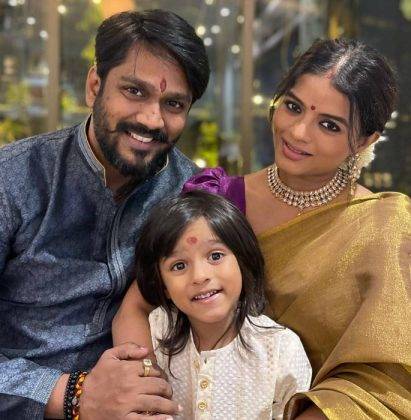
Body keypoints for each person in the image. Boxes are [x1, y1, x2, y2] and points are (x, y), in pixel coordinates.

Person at [117, 38, 411, 419]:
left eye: (329, 125)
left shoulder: (384, 227)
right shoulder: (218, 198)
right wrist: (146, 394)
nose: (298, 132)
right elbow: (136, 306)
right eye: (293, 106)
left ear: (366, 140)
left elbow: (385, 382)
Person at [0, 9, 210, 420]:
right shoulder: (13, 179)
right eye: (134, 91)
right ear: (94, 85)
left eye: (173, 103)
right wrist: (73, 395)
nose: (151, 119)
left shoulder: (190, 195)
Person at [113, 190, 311, 419]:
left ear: (243, 261)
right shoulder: (157, 331)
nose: (199, 276)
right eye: (179, 266)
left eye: (215, 256)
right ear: (163, 286)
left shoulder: (280, 350)